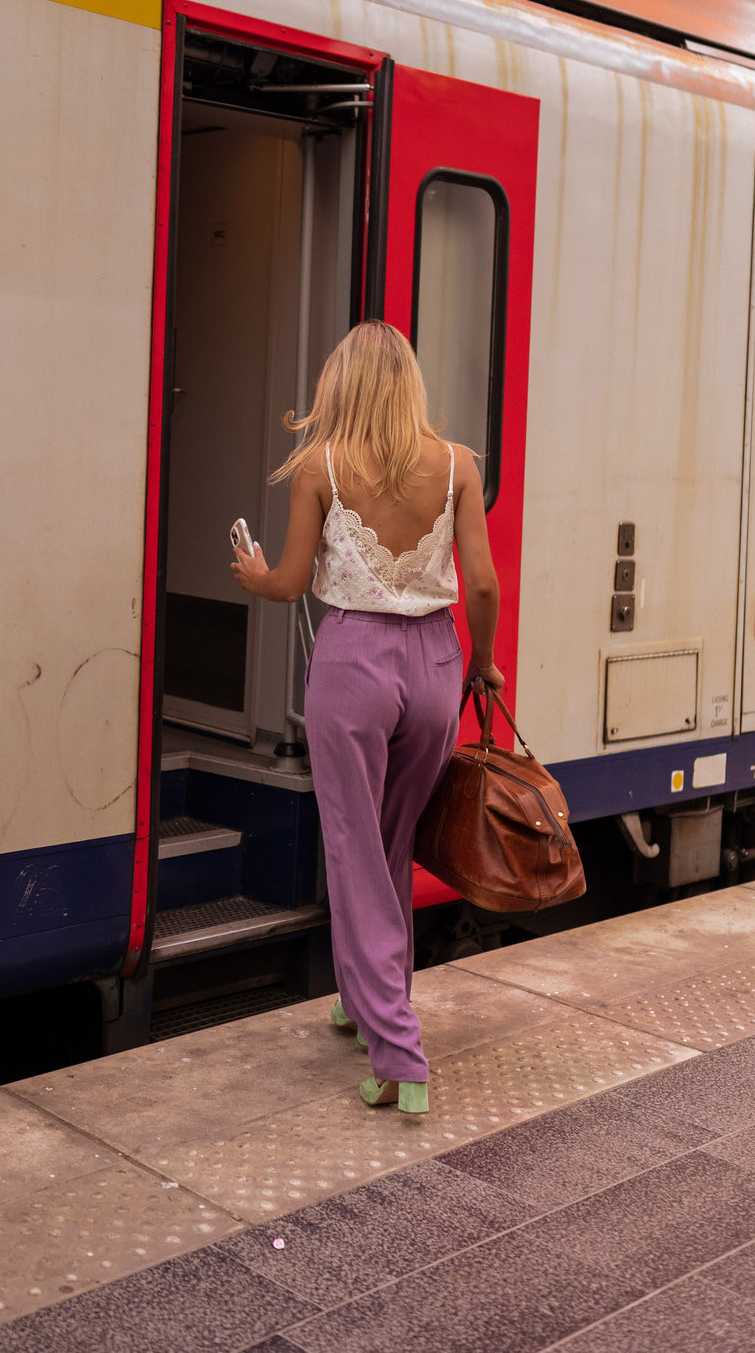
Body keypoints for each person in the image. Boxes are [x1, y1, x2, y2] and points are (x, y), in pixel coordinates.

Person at [232, 319, 503, 1114]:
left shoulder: (320, 464)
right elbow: (481, 583)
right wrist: (481, 660)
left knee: (352, 848)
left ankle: (398, 1055)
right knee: (389, 839)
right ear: (410, 384)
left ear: (340, 386)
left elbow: (287, 584)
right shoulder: (458, 465)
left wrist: (252, 574)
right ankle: (360, 998)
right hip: (435, 664)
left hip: (355, 663)